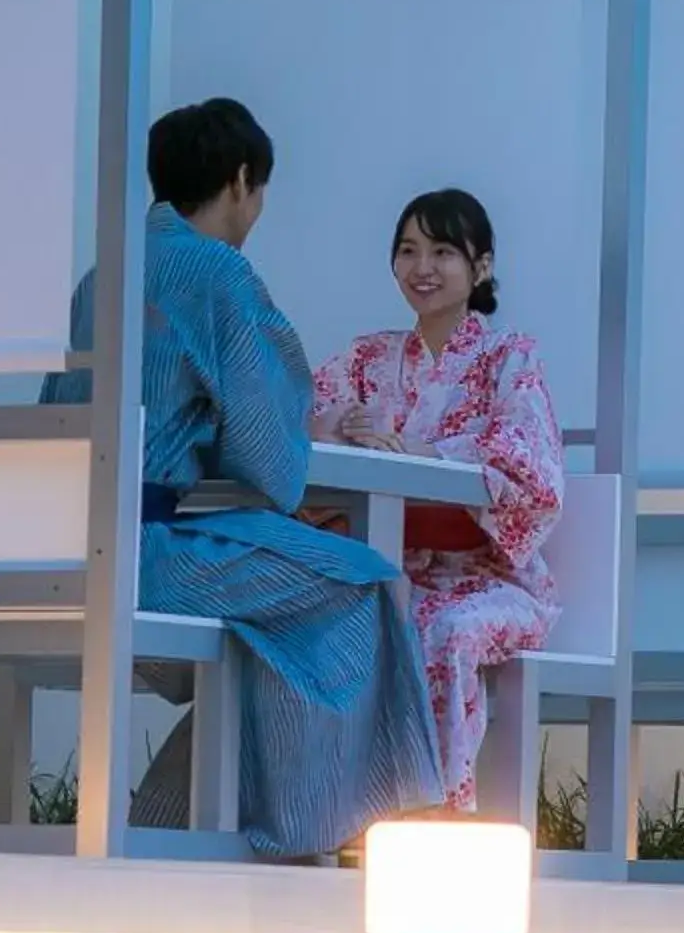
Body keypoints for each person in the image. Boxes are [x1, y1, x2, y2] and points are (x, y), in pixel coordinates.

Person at [75, 100, 444, 855]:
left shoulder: (102, 270)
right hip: (148, 556)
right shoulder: (217, 273)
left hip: (69, 541)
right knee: (361, 585)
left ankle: (169, 820)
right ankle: (305, 829)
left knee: (275, 618)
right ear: (243, 180)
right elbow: (269, 464)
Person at [308, 189, 564, 812]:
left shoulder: (510, 358)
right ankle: (337, 811)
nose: (423, 267)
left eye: (444, 251)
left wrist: (420, 454)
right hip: (390, 566)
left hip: (489, 578)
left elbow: (526, 464)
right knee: (329, 618)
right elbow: (303, 417)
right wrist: (343, 426)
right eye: (408, 250)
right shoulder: (367, 357)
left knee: (445, 630)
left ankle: (438, 808)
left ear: (481, 267)